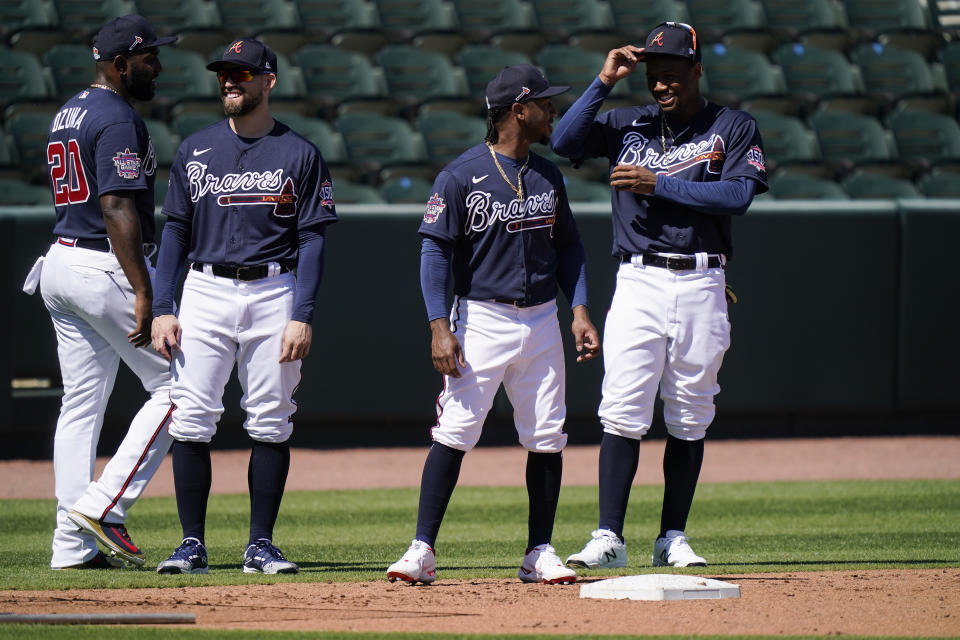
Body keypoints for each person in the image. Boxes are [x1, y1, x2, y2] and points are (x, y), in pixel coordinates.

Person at [551, 22, 768, 569]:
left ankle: (672, 535)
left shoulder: (732, 126)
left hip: (702, 280)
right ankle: (609, 537)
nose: (662, 85)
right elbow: (564, 142)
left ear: (698, 69)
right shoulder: (629, 122)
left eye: (672, 73)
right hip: (640, 278)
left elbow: (738, 194)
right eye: (654, 75)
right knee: (622, 410)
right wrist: (603, 80)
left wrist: (658, 183)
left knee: (691, 415)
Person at [386, 64, 600, 586]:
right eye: (545, 104)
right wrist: (440, 326)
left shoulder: (549, 174)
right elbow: (434, 252)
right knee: (456, 430)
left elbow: (569, 245)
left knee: (547, 436)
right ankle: (422, 549)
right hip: (480, 316)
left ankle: (539, 552)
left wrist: (579, 309)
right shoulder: (460, 175)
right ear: (517, 111)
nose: (553, 111)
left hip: (543, 318)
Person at [150, 37, 337, 574]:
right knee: (191, 418)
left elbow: (314, 240)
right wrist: (164, 305)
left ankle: (260, 544)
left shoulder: (299, 153)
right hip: (204, 289)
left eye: (244, 73)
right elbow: (177, 231)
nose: (231, 81)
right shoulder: (196, 147)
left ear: (269, 80)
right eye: (225, 73)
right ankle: (191, 543)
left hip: (274, 291)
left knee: (272, 420)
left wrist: (303, 313)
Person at [21, 15, 178, 570]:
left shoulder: (69, 111)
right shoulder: (116, 116)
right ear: (118, 65)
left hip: (61, 262)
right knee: (181, 390)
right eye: (148, 58)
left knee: (80, 406)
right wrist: (144, 291)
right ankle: (104, 506)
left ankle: (70, 545)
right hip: (103, 264)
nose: (158, 66)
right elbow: (115, 206)